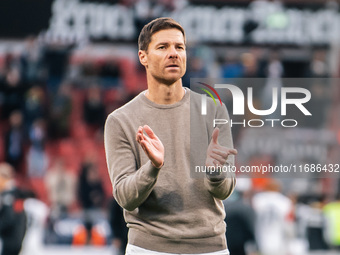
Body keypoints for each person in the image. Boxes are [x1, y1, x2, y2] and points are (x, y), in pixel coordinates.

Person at [104, 17, 237, 255]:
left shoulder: (214, 110)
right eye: (163, 47)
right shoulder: (120, 120)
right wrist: (153, 168)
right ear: (143, 57)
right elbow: (125, 197)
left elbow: (225, 190)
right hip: (149, 248)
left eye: (180, 47)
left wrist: (215, 172)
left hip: (210, 247)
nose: (174, 53)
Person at [0, 163, 27, 255]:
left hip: (9, 241)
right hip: (17, 240)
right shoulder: (17, 194)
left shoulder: (8, 196)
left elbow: (8, 219)